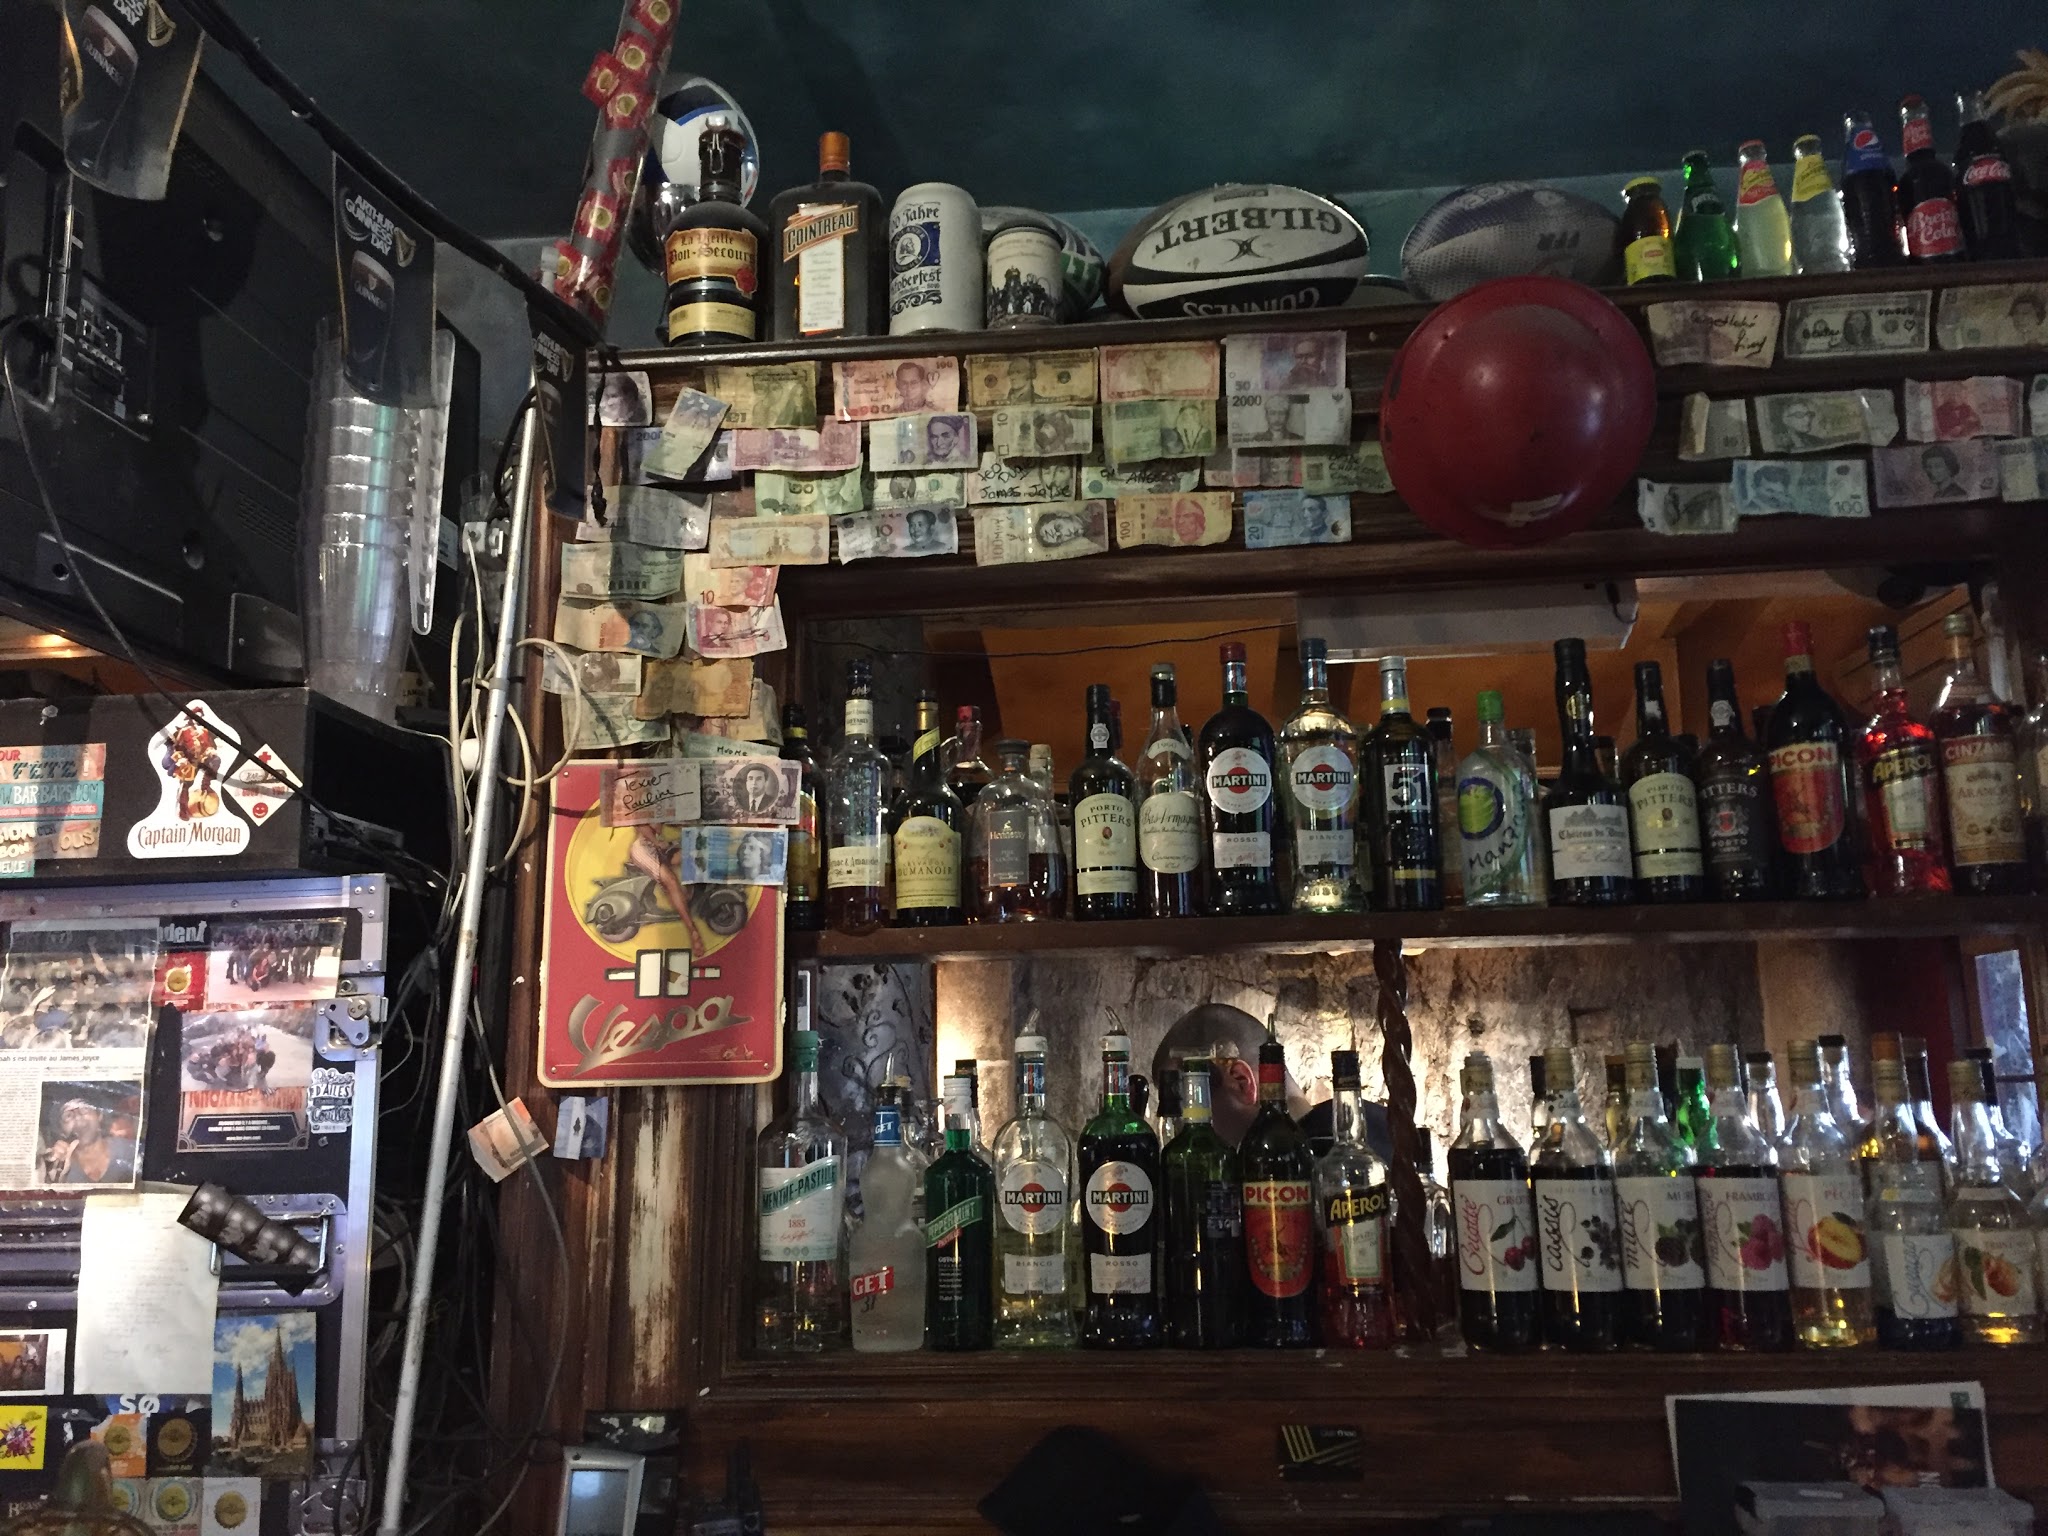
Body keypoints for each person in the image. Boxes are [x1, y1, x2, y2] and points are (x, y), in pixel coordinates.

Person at [1148, 1003, 1391, 1159]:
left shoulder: (1302, 1158)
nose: (1183, 1131)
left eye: (1188, 1103)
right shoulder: (1380, 1123)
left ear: (1241, 1082)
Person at [42, 1098, 137, 1185]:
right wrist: (53, 1179)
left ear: (99, 1115)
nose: (77, 1117)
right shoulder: (59, 1167)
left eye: (84, 1109)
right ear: (62, 1131)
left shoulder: (130, 1151)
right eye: (68, 1115)